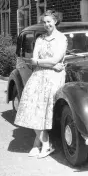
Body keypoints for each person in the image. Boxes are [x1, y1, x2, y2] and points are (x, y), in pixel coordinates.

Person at [14, 9, 67, 158]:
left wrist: (43, 62)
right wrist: (48, 63)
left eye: (49, 21)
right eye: (44, 22)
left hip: (54, 77)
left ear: (55, 21)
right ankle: (45, 143)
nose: (46, 25)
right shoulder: (40, 39)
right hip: (38, 75)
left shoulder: (61, 38)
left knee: (44, 109)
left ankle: (38, 143)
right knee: (30, 106)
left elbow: (56, 59)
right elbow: (33, 60)